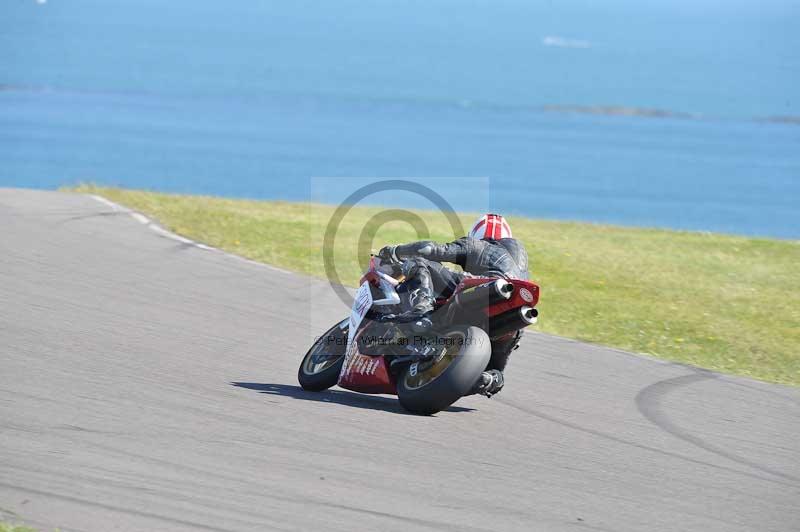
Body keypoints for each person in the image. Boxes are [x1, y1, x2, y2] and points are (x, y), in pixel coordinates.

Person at [378, 213, 530, 396]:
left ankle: (421, 312)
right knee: (496, 365)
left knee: (419, 262)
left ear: (477, 234)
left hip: (485, 289)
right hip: (514, 315)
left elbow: (429, 249)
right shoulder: (522, 268)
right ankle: (491, 379)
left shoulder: (482, 245)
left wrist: (395, 251)